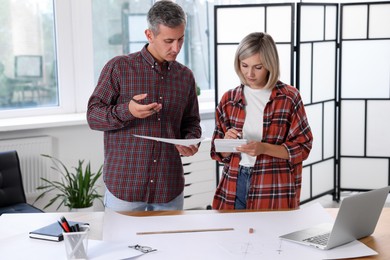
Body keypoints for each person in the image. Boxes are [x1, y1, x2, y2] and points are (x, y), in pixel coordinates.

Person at [87, 0, 201, 211]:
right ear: (149, 35)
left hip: (168, 188)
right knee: (121, 245)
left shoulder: (185, 77)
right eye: (168, 41)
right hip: (125, 187)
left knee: (171, 244)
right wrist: (127, 111)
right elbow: (93, 116)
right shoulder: (119, 68)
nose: (176, 48)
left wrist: (190, 141)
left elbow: (191, 122)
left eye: (180, 39)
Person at [210, 32, 313, 210]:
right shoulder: (229, 99)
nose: (249, 73)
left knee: (271, 235)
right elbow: (217, 151)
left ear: (269, 65)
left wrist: (263, 148)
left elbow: (303, 148)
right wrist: (227, 142)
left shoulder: (288, 98)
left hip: (273, 183)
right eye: (244, 65)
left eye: (258, 67)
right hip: (235, 182)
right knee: (234, 236)